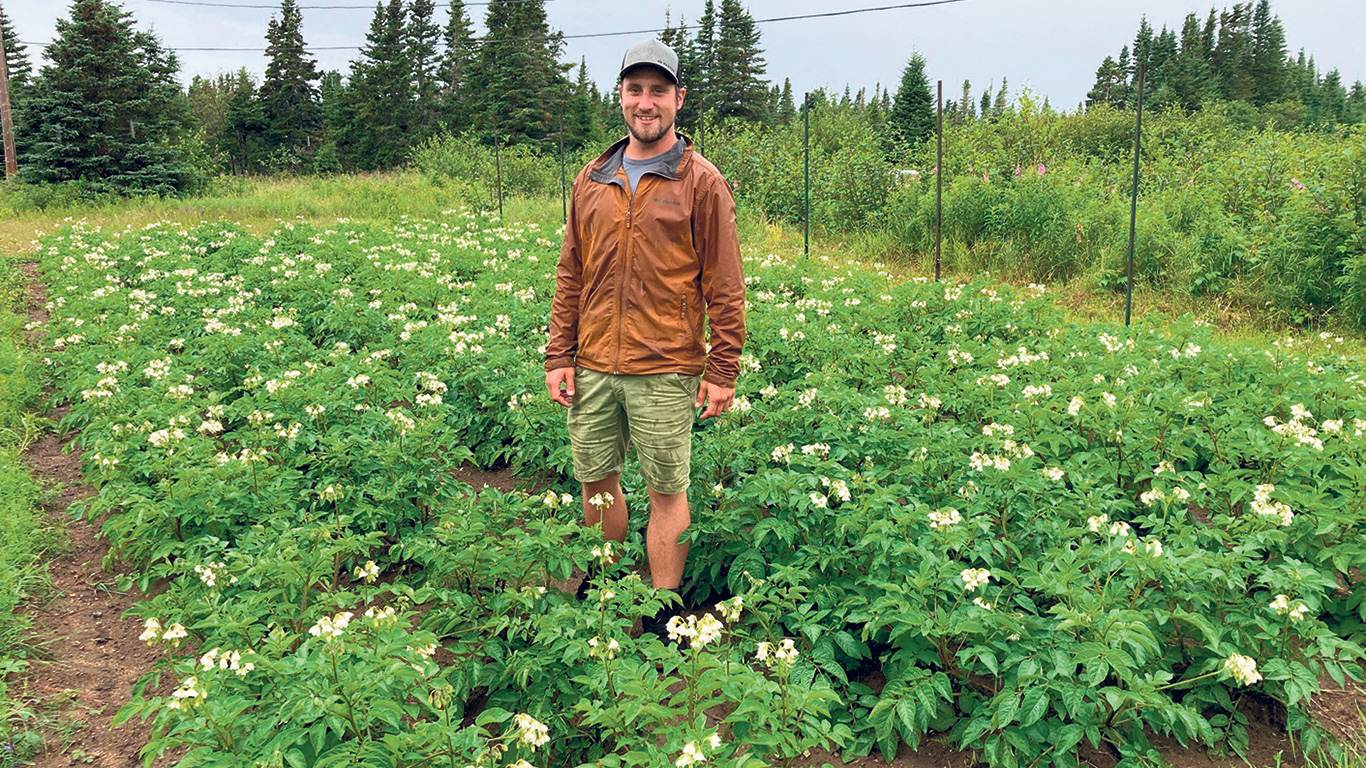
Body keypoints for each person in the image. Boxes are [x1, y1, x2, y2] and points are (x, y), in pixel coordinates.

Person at [543, 39, 746, 642]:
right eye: (636, 89)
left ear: (678, 99)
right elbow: (571, 270)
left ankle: (663, 607)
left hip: (665, 365)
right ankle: (605, 579)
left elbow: (726, 285)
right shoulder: (592, 178)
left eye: (659, 90)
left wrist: (722, 367)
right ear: (622, 97)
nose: (646, 102)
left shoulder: (701, 182)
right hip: (596, 360)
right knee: (597, 480)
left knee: (665, 488)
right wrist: (559, 353)